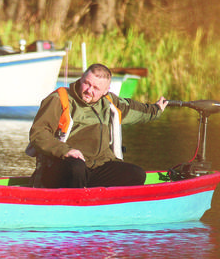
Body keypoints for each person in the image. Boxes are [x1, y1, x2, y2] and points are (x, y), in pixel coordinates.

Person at [27, 63, 168, 188]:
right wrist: (65, 151)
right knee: (77, 168)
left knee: (137, 174)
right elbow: (38, 133)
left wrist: (156, 110)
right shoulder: (58, 99)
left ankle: (102, 201)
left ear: (106, 90)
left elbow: (134, 109)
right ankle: (75, 205)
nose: (89, 90)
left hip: (98, 167)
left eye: (96, 88)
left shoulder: (110, 102)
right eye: (87, 83)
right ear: (81, 78)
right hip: (63, 167)